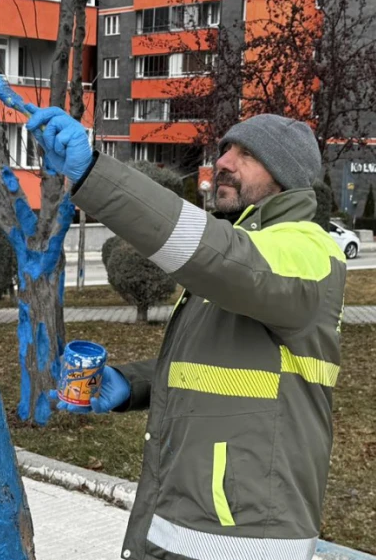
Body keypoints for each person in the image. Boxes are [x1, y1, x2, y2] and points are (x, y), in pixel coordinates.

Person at [28, 107, 347, 560]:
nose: (224, 162)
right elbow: (224, 362)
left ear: (285, 175)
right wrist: (136, 384)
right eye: (225, 150)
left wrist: (96, 175)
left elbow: (217, 255)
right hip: (192, 522)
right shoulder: (239, 249)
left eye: (247, 154)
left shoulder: (307, 248)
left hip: (244, 540)